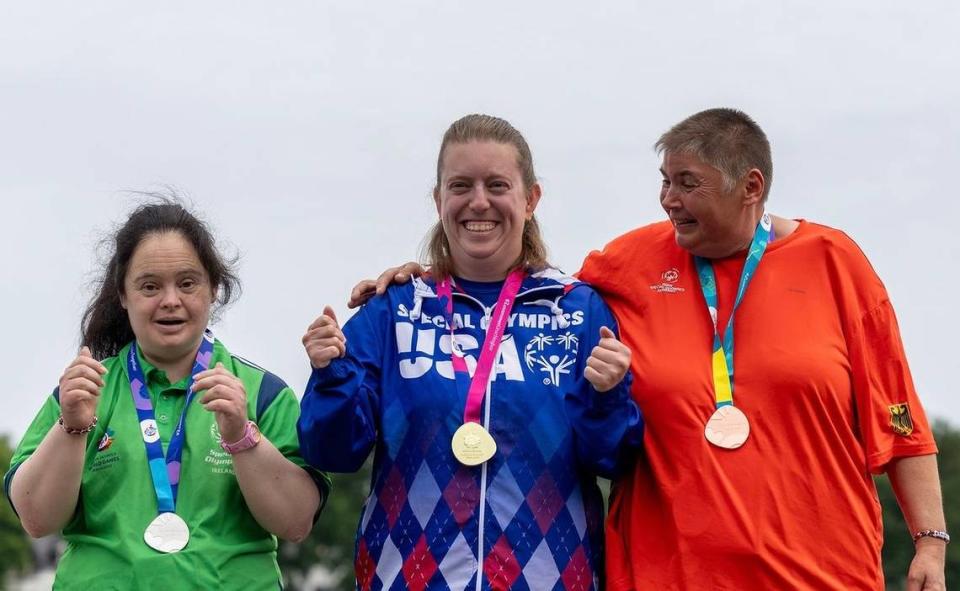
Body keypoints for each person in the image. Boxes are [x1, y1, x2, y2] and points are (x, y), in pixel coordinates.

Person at [352, 109, 948, 590]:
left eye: (688, 184)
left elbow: (899, 415)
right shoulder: (629, 264)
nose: (668, 200)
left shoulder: (834, 263)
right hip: (665, 575)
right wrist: (436, 279)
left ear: (751, 187)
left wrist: (930, 540)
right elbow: (516, 285)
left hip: (821, 573)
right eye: (664, 181)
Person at [298, 114, 643, 590]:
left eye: (497, 184)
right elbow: (332, 452)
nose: (478, 201)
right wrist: (330, 373)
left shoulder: (579, 312)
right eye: (460, 185)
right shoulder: (393, 309)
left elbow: (616, 461)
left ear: (531, 199)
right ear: (439, 200)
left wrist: (608, 397)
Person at [5, 201, 327, 590]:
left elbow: (295, 523)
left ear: (214, 289)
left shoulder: (263, 394)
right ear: (123, 295)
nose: (170, 300)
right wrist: (71, 427)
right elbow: (37, 520)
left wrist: (243, 436)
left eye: (187, 283)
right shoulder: (82, 393)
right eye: (150, 286)